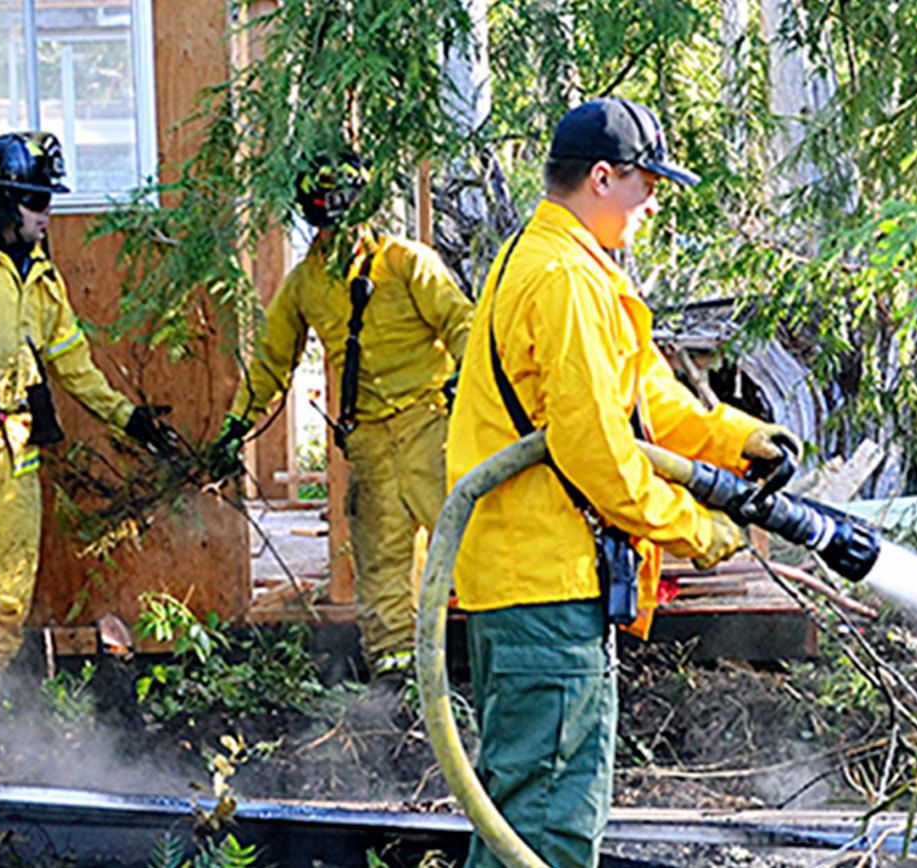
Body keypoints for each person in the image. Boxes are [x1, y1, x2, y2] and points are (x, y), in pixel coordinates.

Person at [445, 97, 803, 867]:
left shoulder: (561, 262)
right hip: (541, 587)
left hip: (535, 579)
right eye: (647, 183)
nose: (654, 201)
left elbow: (643, 394)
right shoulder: (564, 280)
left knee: (528, 815)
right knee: (546, 827)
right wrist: (693, 528)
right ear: (602, 178)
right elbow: (598, 453)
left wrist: (739, 438)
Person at [0, 131, 178, 736]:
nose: (48, 214)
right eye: (37, 201)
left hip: (16, 454)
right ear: (2, 201)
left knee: (5, 593)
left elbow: (71, 360)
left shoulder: (39, 273)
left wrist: (127, 418)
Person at [210, 153, 473, 682]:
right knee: (382, 567)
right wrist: (236, 427)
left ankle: (497, 663)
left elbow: (461, 320)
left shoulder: (406, 262)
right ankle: (400, 678)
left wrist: (464, 380)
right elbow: (271, 360)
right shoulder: (305, 284)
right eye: (326, 222)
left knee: (473, 544)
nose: (337, 232)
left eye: (345, 218)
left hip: (430, 427)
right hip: (371, 442)